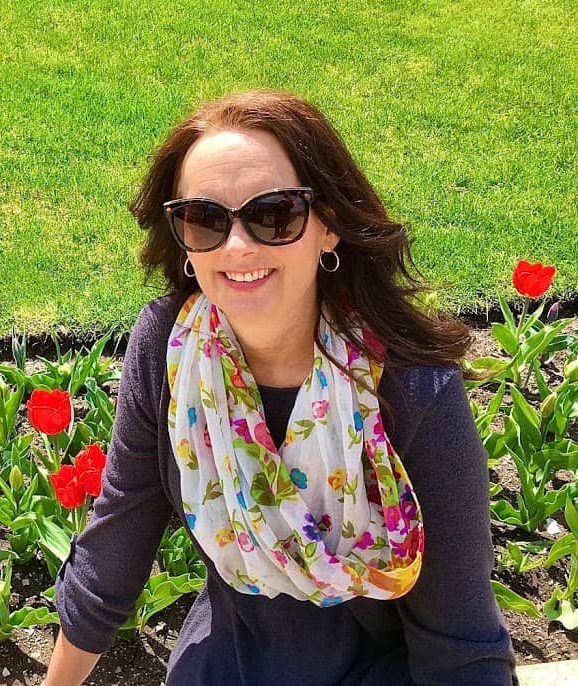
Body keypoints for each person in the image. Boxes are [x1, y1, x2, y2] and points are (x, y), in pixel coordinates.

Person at [43, 89, 517, 685]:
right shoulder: (170, 350)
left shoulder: (410, 389)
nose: (237, 247)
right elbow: (115, 549)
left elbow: (462, 649)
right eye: (205, 219)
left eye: (274, 214)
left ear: (329, 227)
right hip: (226, 663)